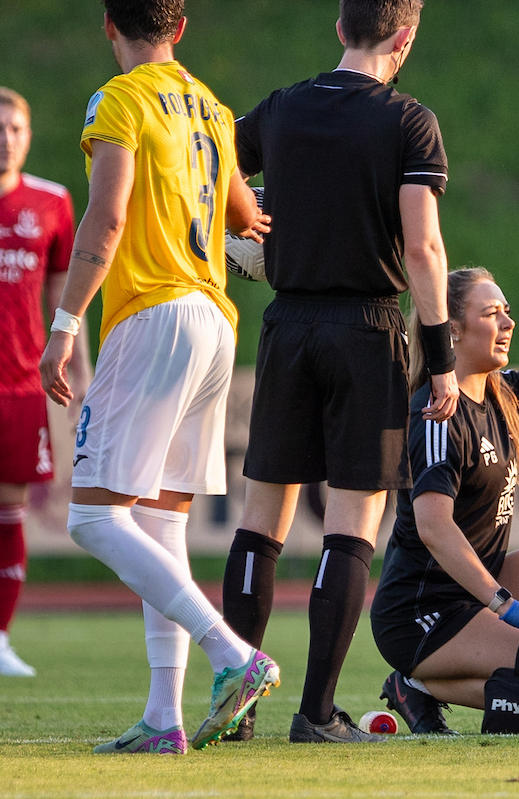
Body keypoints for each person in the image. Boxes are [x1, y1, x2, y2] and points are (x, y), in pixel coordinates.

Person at [219, 0, 460, 744]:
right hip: (365, 326)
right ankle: (317, 715)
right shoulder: (408, 121)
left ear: (338, 29)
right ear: (406, 36)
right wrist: (443, 359)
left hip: (286, 323)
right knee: (351, 525)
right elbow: (422, 250)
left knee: (262, 520)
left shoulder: (284, 107)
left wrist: (243, 225)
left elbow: (213, 162)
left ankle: (239, 708)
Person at [39, 0, 276, 754]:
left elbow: (105, 220)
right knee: (160, 523)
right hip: (214, 321)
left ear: (109, 25)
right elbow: (246, 215)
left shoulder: (120, 99)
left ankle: (233, 653)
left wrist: (65, 325)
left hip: (152, 312)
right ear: (182, 28)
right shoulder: (212, 105)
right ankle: (162, 718)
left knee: (92, 516)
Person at [371, 249, 519, 733]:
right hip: (424, 612)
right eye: (491, 313)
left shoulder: (501, 391)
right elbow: (435, 528)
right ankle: (417, 683)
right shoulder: (438, 412)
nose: (508, 321)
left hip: (477, 590)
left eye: (505, 311)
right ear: (453, 330)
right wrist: (505, 606)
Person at [0, 87, 91, 678]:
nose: (4, 137)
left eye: (14, 128)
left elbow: (63, 294)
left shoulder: (52, 202)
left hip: (18, 385)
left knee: (10, 511)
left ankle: (0, 638)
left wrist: (80, 365)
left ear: (28, 136)